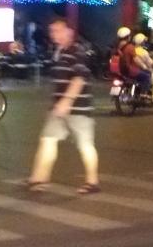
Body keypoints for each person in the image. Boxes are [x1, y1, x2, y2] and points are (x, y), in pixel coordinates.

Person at [26, 18, 99, 195]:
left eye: (58, 31)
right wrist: (58, 104)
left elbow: (79, 78)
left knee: (85, 145)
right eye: (52, 31)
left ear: (69, 32)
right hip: (59, 108)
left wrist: (67, 101)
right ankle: (39, 178)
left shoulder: (77, 51)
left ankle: (92, 181)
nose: (54, 35)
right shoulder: (59, 51)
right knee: (48, 139)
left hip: (78, 108)